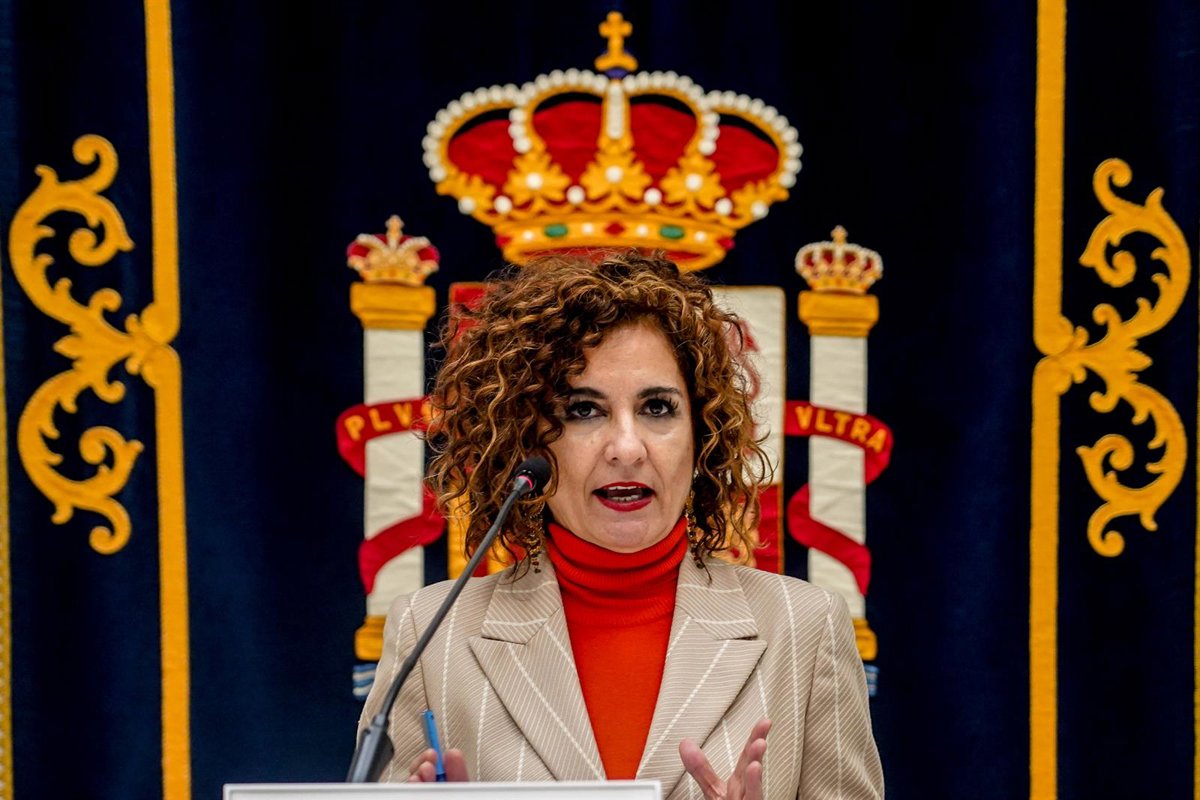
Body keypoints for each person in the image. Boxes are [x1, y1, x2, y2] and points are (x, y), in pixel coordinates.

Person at [357, 250, 884, 799]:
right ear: (525, 439)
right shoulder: (431, 634)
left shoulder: (805, 628)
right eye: (583, 410)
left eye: (657, 408)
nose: (627, 448)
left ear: (701, 434)